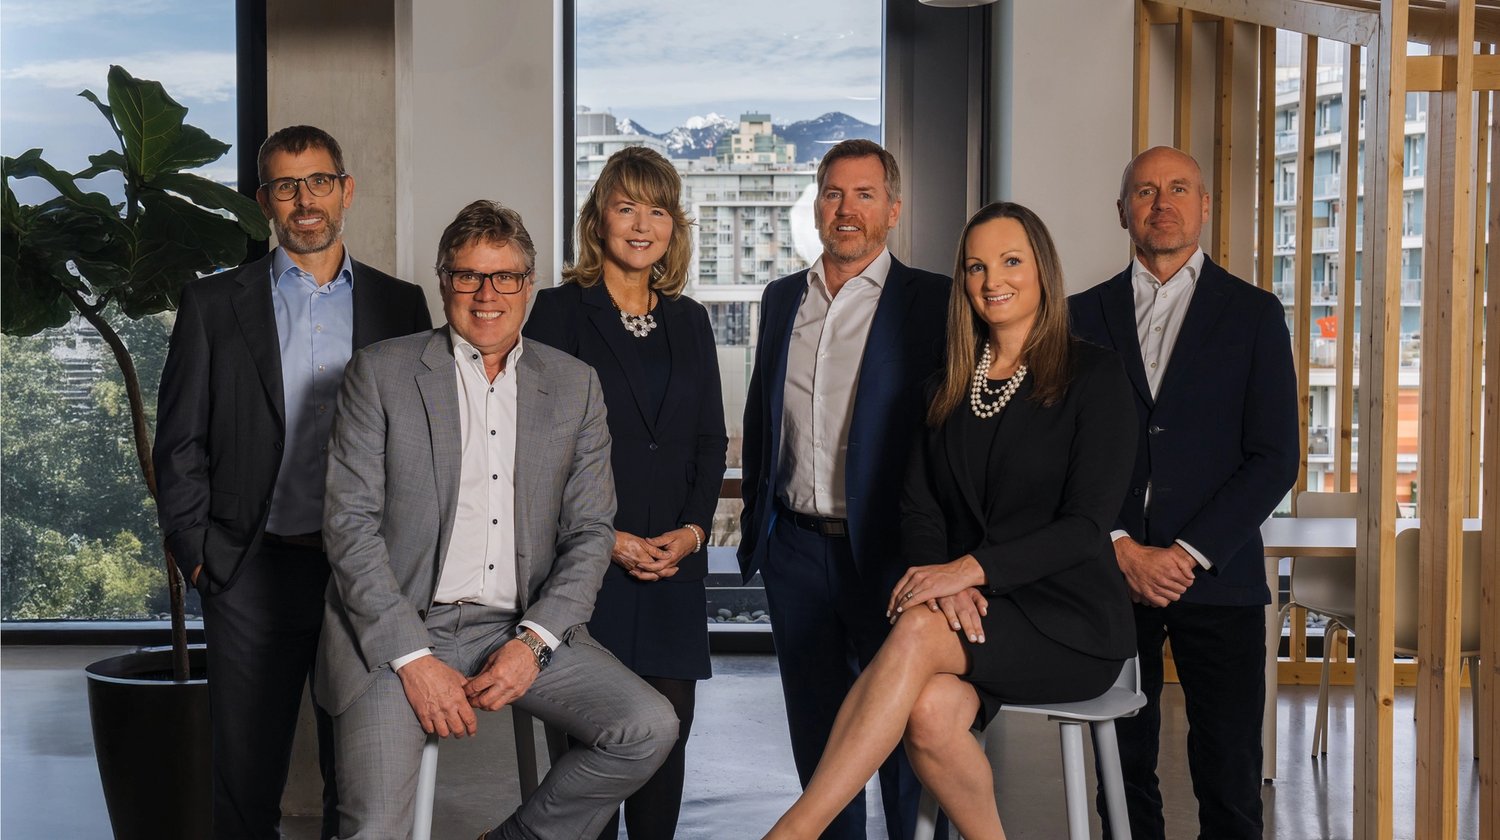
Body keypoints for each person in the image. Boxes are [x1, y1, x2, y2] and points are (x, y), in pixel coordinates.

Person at [764, 201, 1138, 840]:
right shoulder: (946, 386)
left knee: (913, 631)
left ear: (1043, 271)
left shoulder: (1095, 376)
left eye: (1011, 261)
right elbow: (919, 509)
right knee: (933, 714)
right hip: (979, 612)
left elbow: (1086, 525)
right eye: (976, 267)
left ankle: (795, 830)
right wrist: (953, 580)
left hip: (1071, 619)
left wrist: (967, 570)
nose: (994, 280)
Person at [314, 200, 678, 840]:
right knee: (373, 829)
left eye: (505, 277)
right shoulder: (382, 373)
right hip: (396, 630)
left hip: (518, 624)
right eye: (468, 276)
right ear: (443, 281)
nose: (487, 295)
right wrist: (414, 659)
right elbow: (350, 528)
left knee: (647, 726)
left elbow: (591, 532)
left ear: (528, 286)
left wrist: (533, 644)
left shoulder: (573, 385)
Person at [153, 125, 431, 840]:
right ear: (264, 201)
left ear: (346, 190)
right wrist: (198, 552)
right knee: (245, 783)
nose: (304, 200)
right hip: (250, 568)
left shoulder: (401, 308)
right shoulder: (214, 305)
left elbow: (425, 443)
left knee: (363, 778)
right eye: (286, 185)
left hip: (362, 577)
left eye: (318, 182)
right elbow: (179, 441)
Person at [1069, 146, 1298, 840]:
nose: (1161, 203)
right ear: (1122, 212)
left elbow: (1275, 456)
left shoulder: (1255, 314)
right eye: (1144, 190)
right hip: (1111, 579)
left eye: (1177, 189)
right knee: (1121, 769)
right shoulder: (1080, 315)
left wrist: (1188, 553)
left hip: (1217, 578)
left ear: (1204, 206)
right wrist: (1121, 548)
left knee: (1229, 772)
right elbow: (1065, 453)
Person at [739, 138, 949, 839]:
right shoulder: (779, 299)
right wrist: (757, 538)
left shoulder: (934, 304)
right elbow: (763, 418)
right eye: (833, 193)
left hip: (889, 553)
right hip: (795, 550)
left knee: (903, 738)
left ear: (893, 208)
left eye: (864, 194)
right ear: (817, 207)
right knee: (820, 737)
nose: (847, 209)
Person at [523, 146, 727, 839]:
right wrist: (604, 539)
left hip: (672, 571)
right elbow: (532, 451)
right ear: (598, 219)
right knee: (590, 763)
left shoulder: (692, 321)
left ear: (675, 225)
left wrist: (694, 534)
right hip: (587, 571)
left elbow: (709, 441)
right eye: (626, 206)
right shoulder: (554, 313)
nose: (642, 225)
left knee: (665, 751)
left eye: (659, 209)